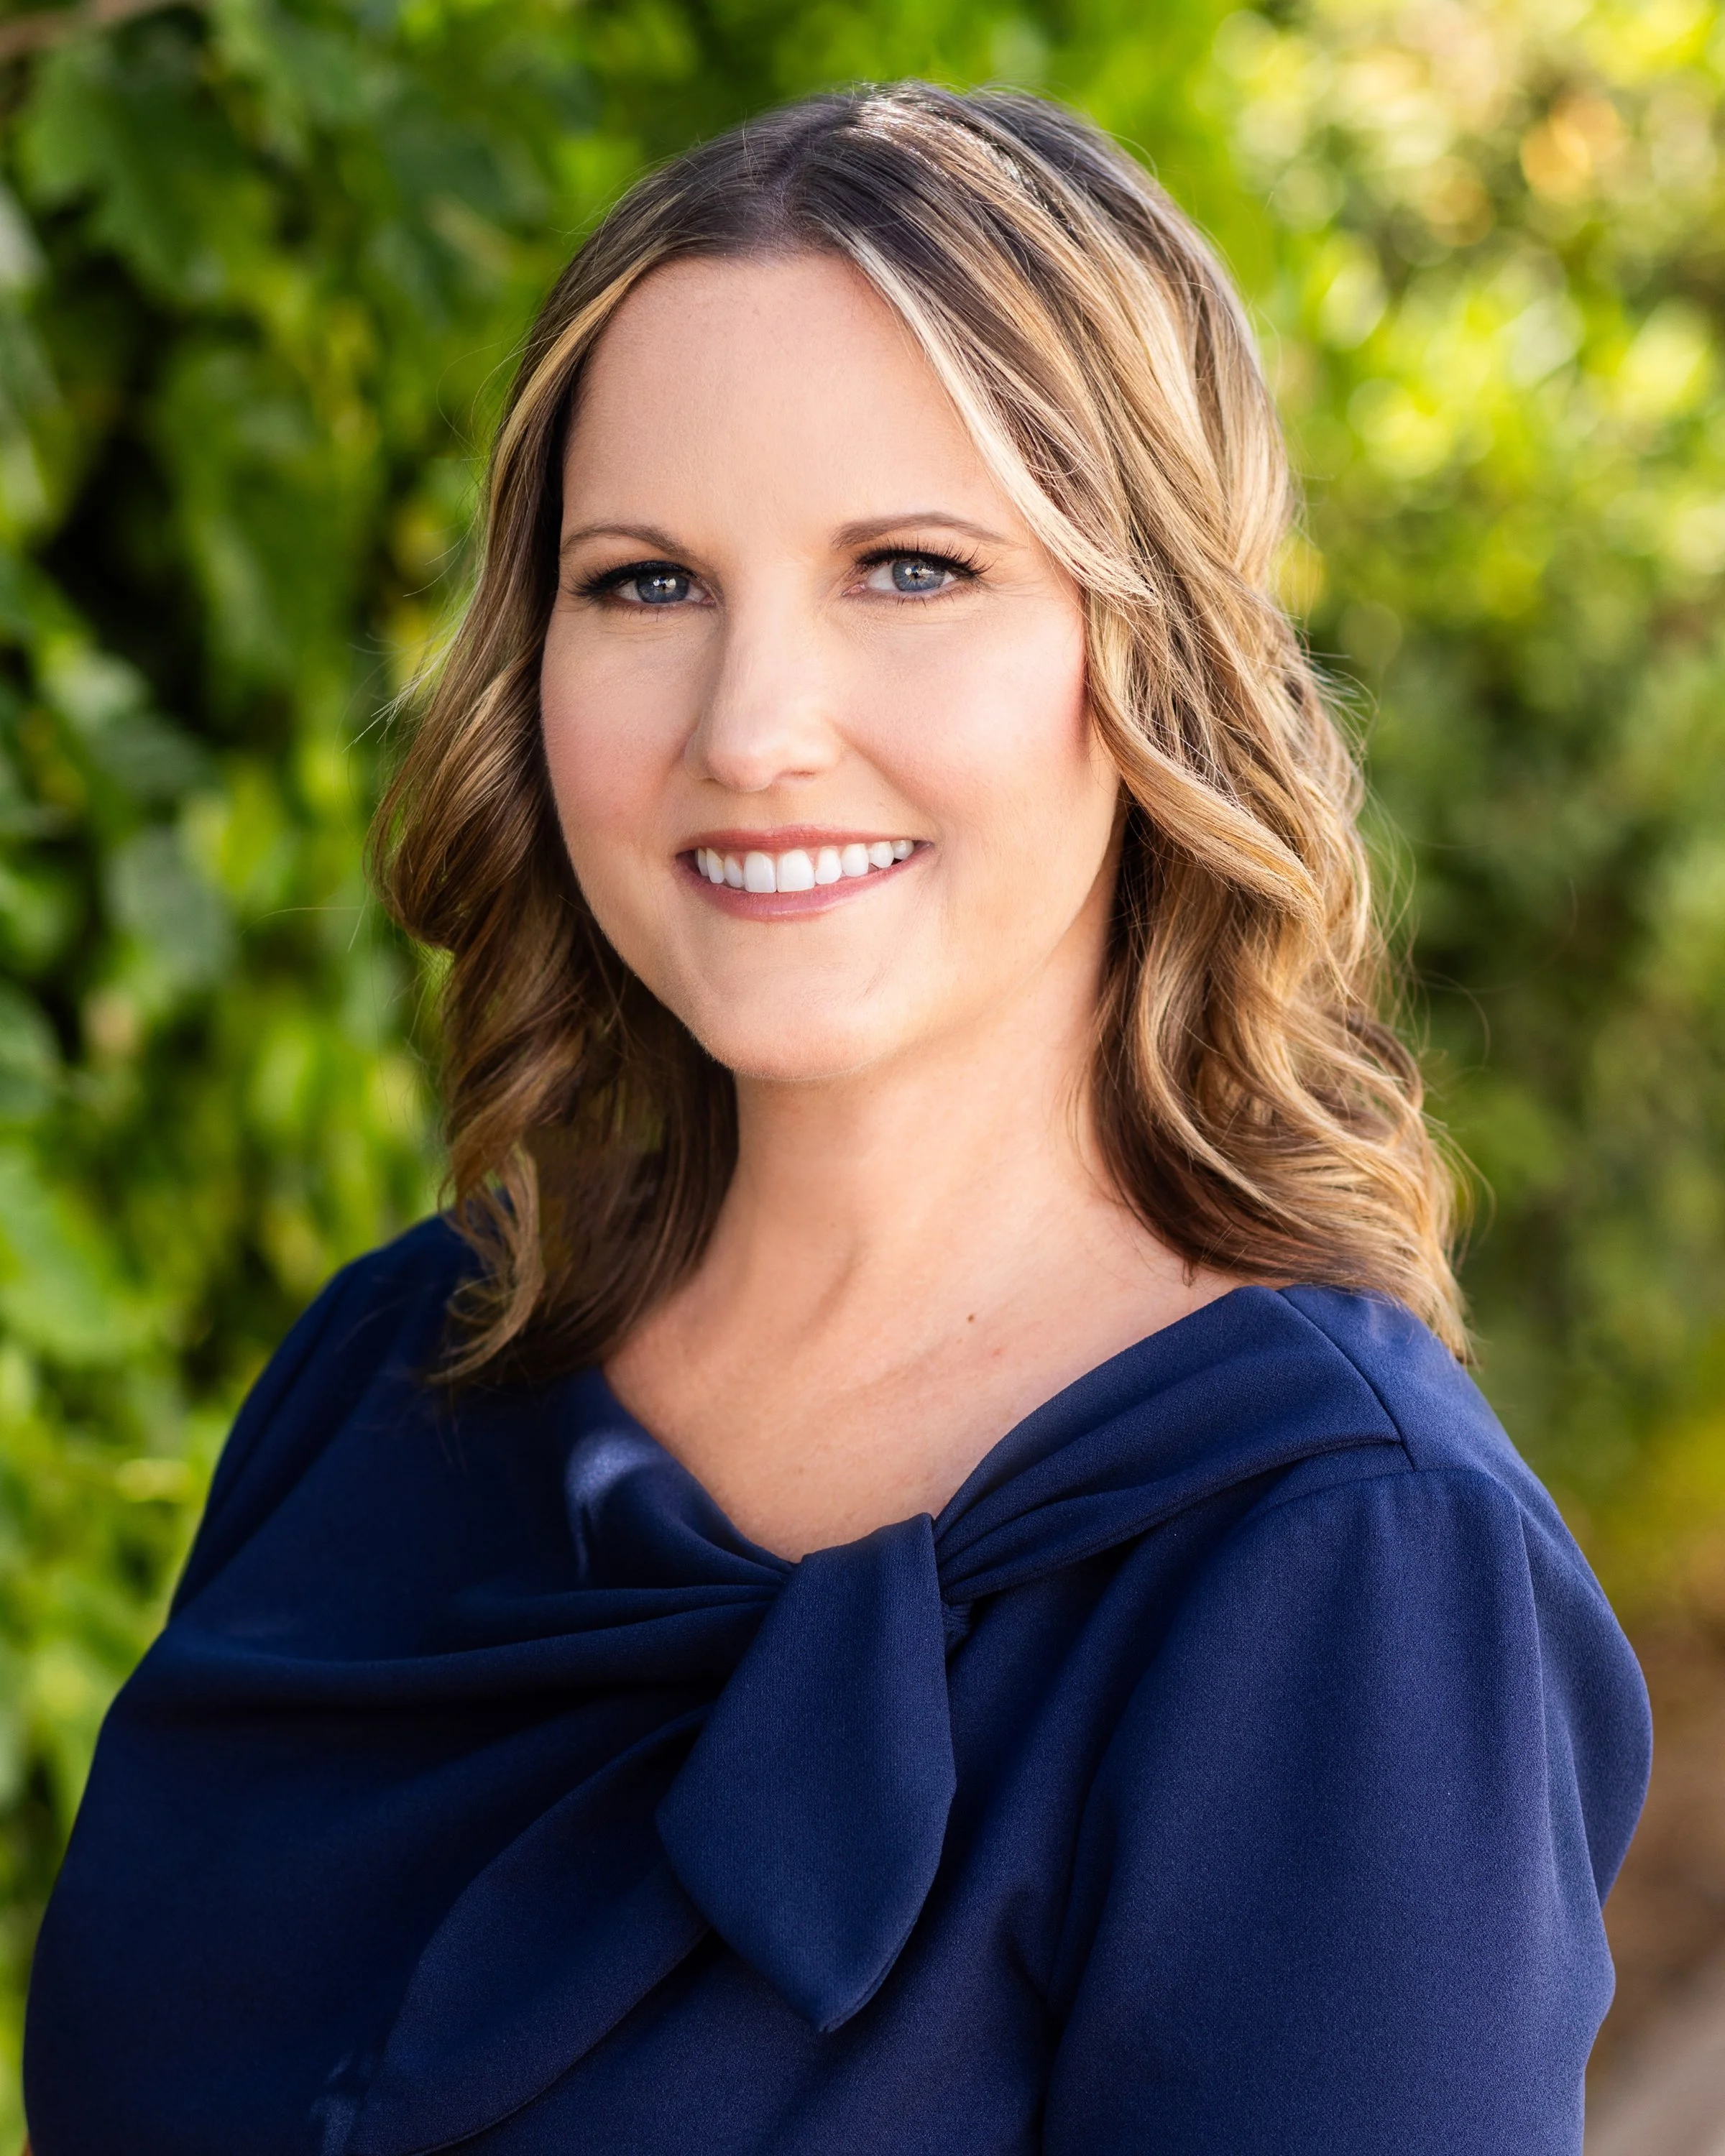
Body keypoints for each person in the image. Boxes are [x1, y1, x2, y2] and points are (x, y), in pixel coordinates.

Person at [22, 82, 1649, 2156]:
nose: (754, 729)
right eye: (643, 586)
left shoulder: (1340, 1580)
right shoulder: (393, 1364)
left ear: (1148, 657)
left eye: (908, 566)